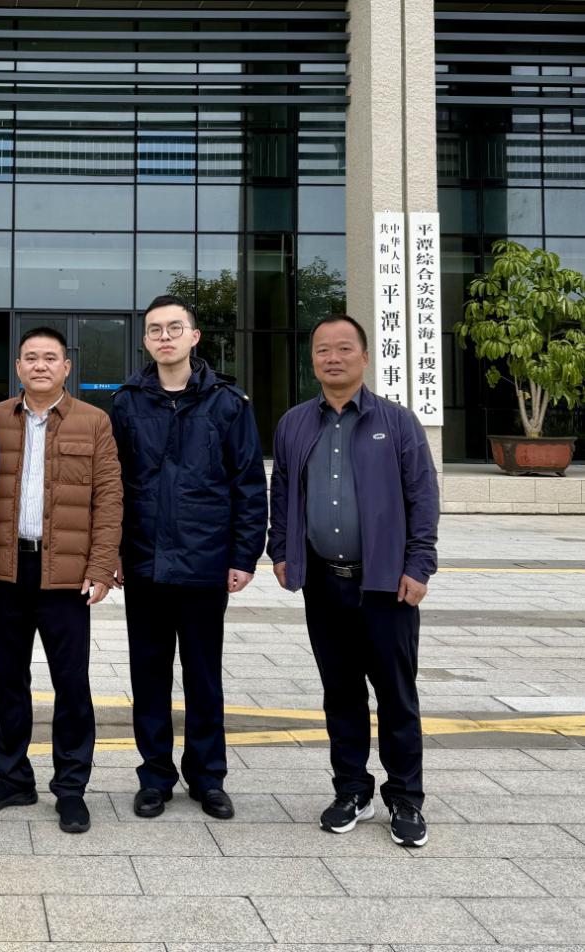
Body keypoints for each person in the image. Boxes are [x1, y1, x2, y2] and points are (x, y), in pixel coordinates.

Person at [268, 313, 439, 848]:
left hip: (387, 584)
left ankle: (405, 797)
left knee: (396, 695)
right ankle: (351, 791)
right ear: (312, 359)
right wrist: (281, 551)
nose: (333, 358)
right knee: (340, 693)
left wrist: (419, 565)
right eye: (323, 349)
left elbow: (423, 496)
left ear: (365, 357)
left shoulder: (398, 422)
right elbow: (282, 493)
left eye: (344, 348)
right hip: (324, 582)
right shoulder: (295, 423)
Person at [111, 294, 267, 822]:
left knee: (203, 676)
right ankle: (155, 776)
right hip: (144, 562)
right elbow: (112, 485)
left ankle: (207, 777)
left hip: (205, 563)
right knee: (149, 675)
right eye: (155, 329)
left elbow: (249, 484)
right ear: (145, 340)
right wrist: (113, 552)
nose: (165, 337)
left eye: (174, 328)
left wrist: (244, 555)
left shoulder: (228, 403)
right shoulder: (127, 402)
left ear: (195, 337)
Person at [0, 327, 122, 834]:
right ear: (18, 367)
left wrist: (101, 566)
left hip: (67, 576)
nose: (40, 366)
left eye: (49, 358)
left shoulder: (94, 421)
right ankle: (12, 777)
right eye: (30, 358)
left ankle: (71, 787)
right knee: (7, 680)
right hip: (8, 570)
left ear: (66, 367)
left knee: (71, 684)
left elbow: (109, 498)